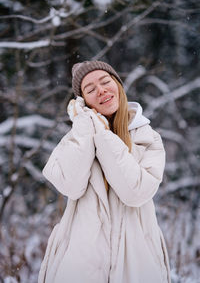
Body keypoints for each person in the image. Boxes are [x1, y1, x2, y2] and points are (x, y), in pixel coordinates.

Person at [38, 61, 171, 283]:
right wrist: (85, 125)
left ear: (118, 85)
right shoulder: (75, 139)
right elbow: (70, 186)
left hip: (137, 262)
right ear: (83, 101)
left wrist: (104, 135)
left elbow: (135, 193)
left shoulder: (148, 138)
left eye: (105, 82)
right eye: (90, 90)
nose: (101, 90)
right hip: (80, 263)